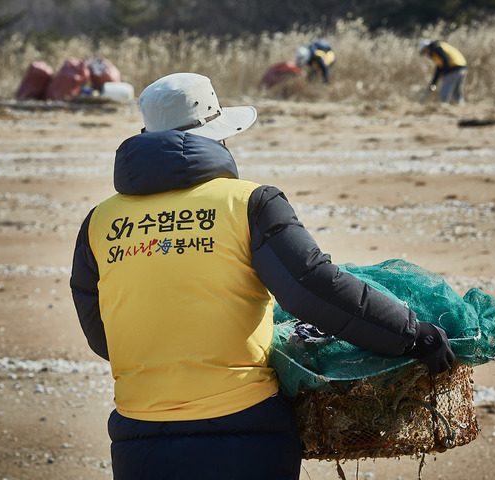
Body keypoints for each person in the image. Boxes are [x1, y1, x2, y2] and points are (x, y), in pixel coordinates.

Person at [70, 72, 455, 480]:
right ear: (217, 138)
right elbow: (314, 288)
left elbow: (102, 335)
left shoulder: (100, 221)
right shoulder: (249, 203)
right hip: (243, 431)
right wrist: (413, 335)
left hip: (138, 436)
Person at [418, 38, 467, 104]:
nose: (425, 54)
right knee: (456, 91)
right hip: (462, 67)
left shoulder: (436, 49)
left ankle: (444, 105)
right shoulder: (438, 46)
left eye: (424, 51)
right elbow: (439, 68)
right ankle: (461, 105)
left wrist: (444, 73)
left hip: (454, 68)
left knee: (445, 89)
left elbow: (446, 60)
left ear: (427, 48)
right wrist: (433, 83)